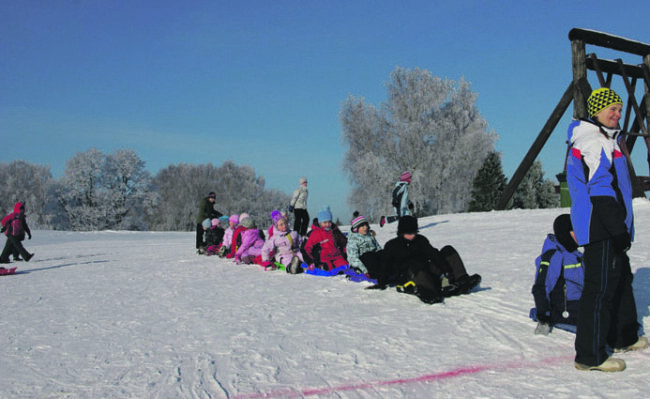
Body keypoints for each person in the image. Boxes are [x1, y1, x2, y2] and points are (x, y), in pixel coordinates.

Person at [566, 87, 648, 372]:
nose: (617, 113)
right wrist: (617, 228)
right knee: (598, 289)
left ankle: (624, 335)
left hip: (610, 224)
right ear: (596, 111)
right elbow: (600, 190)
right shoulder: (592, 140)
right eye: (611, 109)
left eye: (619, 108)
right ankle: (589, 356)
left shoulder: (610, 139)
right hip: (599, 225)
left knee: (621, 280)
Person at [378, 216, 481, 304]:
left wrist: (447, 271)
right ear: (401, 232)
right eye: (408, 233)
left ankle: (461, 279)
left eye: (413, 233)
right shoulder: (392, 245)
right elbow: (385, 265)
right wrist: (381, 282)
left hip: (428, 270)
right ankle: (430, 291)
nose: (412, 236)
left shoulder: (420, 240)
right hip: (410, 275)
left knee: (448, 250)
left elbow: (434, 255)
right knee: (415, 266)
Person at [531, 214, 584, 335]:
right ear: (565, 233)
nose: (579, 235)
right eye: (575, 232)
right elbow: (541, 286)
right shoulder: (554, 256)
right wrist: (543, 314)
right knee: (597, 317)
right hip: (565, 307)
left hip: (581, 301)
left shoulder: (575, 254)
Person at [303, 207, 348, 271]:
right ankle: (320, 267)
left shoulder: (333, 231)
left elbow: (343, 242)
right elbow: (307, 248)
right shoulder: (315, 234)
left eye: (329, 222)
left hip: (336, 256)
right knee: (328, 267)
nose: (327, 224)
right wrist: (310, 261)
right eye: (325, 222)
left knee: (345, 265)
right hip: (323, 259)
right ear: (320, 223)